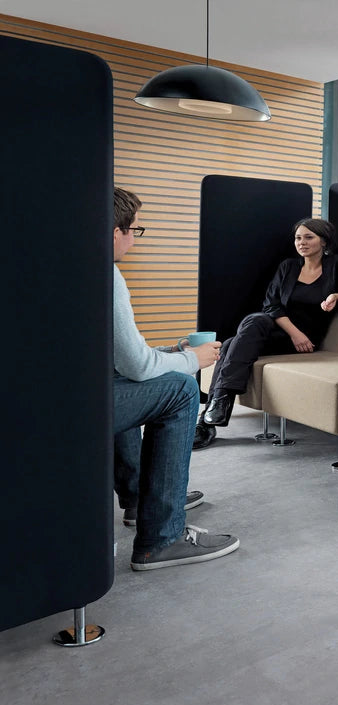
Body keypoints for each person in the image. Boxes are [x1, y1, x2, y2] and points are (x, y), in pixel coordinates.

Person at [112, 187, 240, 570]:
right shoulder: (105, 274)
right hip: (67, 408)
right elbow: (137, 367)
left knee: (142, 380)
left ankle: (140, 500)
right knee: (183, 389)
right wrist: (191, 360)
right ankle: (161, 539)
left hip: (50, 397)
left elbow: (119, 359)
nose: (135, 239)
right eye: (135, 230)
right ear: (115, 231)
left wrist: (173, 351)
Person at [194, 218, 338, 449]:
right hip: (284, 332)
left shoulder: (337, 265)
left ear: (324, 241)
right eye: (298, 238)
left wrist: (336, 296)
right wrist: (295, 333)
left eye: (309, 237)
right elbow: (271, 304)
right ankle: (217, 406)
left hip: (308, 338)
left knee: (229, 345)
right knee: (255, 319)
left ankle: (207, 421)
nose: (302, 242)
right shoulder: (288, 266)